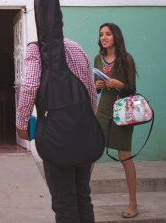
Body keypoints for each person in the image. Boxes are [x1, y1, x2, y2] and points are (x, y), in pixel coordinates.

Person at [16, 36, 96, 223]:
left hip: (56, 134)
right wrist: (90, 125)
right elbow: (90, 89)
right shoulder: (77, 47)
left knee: (64, 200)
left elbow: (30, 87)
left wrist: (21, 123)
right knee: (83, 196)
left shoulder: (37, 49)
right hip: (83, 131)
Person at [94, 22, 139, 219]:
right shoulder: (98, 58)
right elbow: (97, 90)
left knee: (124, 156)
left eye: (108, 34)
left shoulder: (126, 59)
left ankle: (133, 203)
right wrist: (98, 85)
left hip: (122, 109)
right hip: (103, 108)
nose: (104, 37)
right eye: (101, 34)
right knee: (91, 151)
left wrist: (120, 84)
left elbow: (132, 89)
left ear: (116, 37)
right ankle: (81, 199)